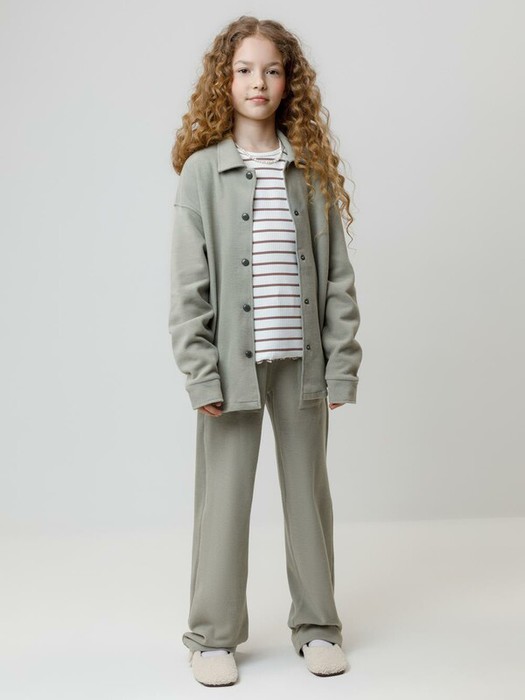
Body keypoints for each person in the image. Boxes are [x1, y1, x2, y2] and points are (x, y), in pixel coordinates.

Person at [168, 15, 363, 687]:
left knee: (308, 501)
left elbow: (337, 279)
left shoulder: (308, 172)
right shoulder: (203, 172)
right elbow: (187, 287)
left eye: (272, 70)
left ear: (288, 83)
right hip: (231, 370)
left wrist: (341, 364)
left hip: (303, 367)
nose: (259, 82)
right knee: (222, 504)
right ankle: (212, 636)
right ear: (225, 81)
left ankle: (318, 626)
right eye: (245, 69)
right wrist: (201, 374)